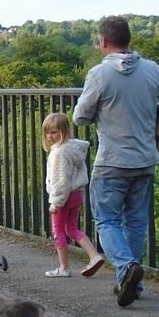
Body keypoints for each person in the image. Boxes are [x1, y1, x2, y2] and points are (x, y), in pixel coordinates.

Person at [73, 15, 159, 307]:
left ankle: (126, 269)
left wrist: (104, 113)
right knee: (135, 222)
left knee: (106, 219)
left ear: (103, 41)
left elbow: (79, 116)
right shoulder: (152, 70)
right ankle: (129, 283)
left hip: (111, 160)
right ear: (128, 39)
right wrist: (150, 110)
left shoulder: (99, 75)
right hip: (145, 159)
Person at [41, 113, 104, 278]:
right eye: (47, 133)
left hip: (64, 197)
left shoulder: (58, 154)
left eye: (54, 132)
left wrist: (56, 202)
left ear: (64, 131)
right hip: (77, 194)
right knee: (72, 228)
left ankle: (63, 267)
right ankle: (94, 256)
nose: (50, 136)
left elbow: (61, 182)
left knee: (58, 230)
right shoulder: (72, 148)